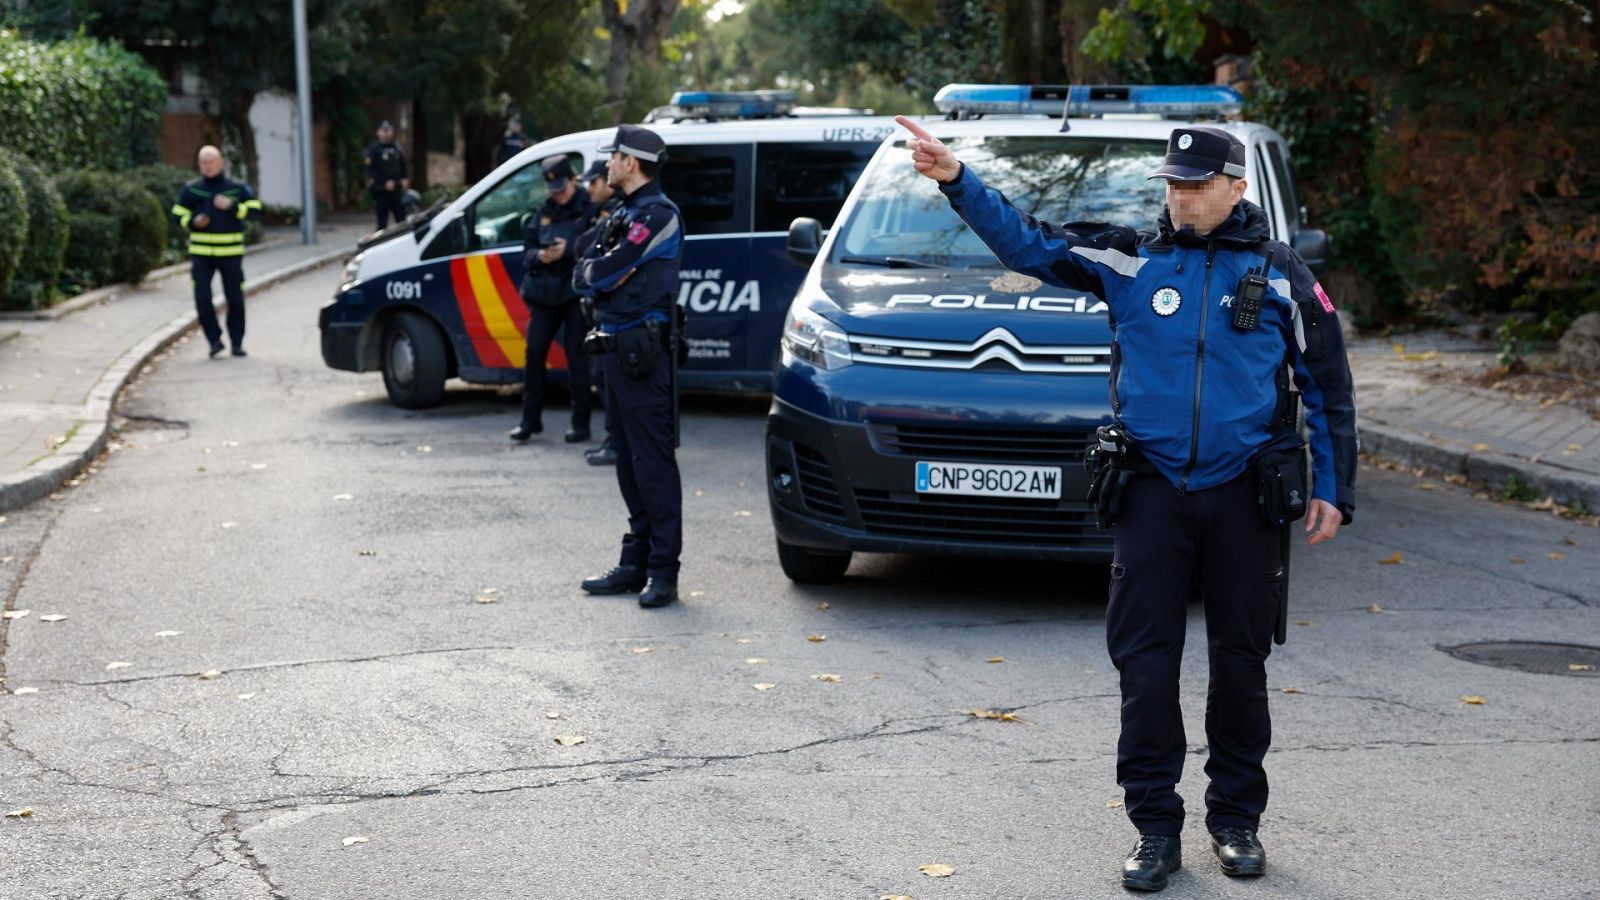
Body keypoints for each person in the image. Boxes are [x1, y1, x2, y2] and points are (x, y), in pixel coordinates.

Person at [897, 116, 1357, 891]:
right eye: (1172, 185)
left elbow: (1329, 386)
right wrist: (956, 180)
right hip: (1152, 491)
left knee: (1241, 665)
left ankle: (1236, 821)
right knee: (1145, 668)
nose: (1180, 198)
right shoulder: (1129, 256)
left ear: (1236, 189)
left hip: (1244, 494)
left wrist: (1334, 489)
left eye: (1196, 185)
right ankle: (1154, 828)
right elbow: (1029, 243)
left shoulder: (1280, 273)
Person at [572, 125, 685, 609]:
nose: (608, 164)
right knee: (626, 462)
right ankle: (635, 563)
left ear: (631, 163)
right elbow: (583, 266)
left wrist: (602, 274)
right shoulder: (624, 211)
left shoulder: (657, 214)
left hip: (644, 354)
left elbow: (608, 268)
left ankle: (663, 572)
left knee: (652, 464)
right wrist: (601, 274)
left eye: (614, 157)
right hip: (615, 350)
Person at [511, 155, 595, 443]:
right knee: (534, 354)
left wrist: (568, 251)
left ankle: (580, 424)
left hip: (573, 292)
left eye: (563, 188)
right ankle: (529, 421)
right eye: (553, 190)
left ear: (573, 179)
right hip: (544, 292)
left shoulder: (589, 206)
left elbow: (597, 246)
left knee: (577, 357)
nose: (558, 194)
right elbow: (528, 250)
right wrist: (541, 256)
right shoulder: (544, 210)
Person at [171, 145, 263, 358]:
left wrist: (233, 207)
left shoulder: (237, 188)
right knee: (202, 299)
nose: (208, 166)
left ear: (221, 163)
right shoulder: (191, 189)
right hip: (201, 255)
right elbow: (177, 215)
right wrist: (192, 222)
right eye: (204, 162)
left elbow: (255, 211)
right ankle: (214, 341)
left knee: (235, 299)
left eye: (211, 161)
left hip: (230, 254)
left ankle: (237, 342)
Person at [574, 158, 624, 466]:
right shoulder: (597, 211)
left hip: (612, 311)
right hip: (599, 309)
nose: (589, 188)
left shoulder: (617, 211)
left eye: (594, 182)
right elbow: (580, 240)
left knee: (608, 379)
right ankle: (614, 439)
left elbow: (583, 245)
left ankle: (616, 442)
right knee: (602, 376)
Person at [365, 121, 409, 230]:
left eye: (388, 130)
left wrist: (405, 179)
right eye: (383, 130)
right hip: (382, 191)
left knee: (402, 222)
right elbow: (371, 171)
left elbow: (403, 165)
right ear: (378, 132)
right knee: (382, 224)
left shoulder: (397, 148)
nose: (386, 133)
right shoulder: (374, 149)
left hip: (397, 190)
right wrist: (384, 182)